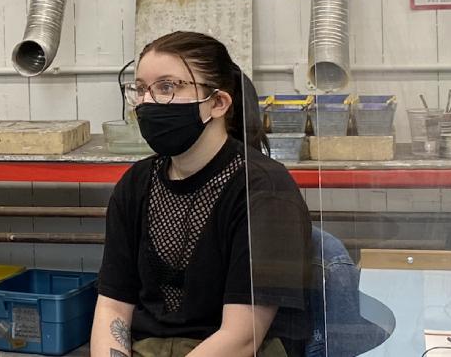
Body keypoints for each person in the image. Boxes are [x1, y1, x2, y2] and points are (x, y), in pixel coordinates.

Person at [92, 31, 316, 357]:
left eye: (167, 87)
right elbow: (113, 307)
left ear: (218, 102)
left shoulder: (265, 191)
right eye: (141, 89)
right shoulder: (136, 184)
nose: (148, 102)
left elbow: (242, 338)